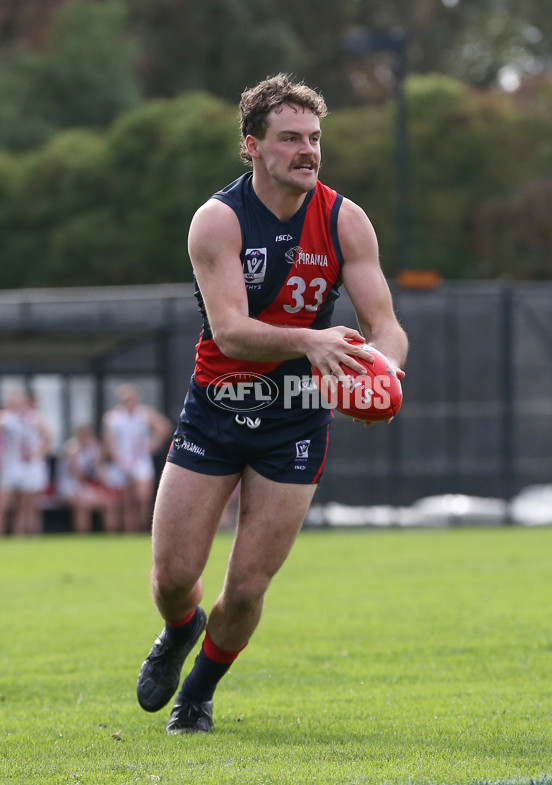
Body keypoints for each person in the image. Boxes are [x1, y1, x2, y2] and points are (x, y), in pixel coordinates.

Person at [136, 73, 409, 734]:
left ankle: (198, 692)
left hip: (295, 417)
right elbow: (230, 329)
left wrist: (382, 374)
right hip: (218, 407)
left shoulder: (345, 220)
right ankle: (180, 627)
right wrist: (311, 340)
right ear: (251, 147)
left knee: (249, 584)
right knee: (174, 575)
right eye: (290, 139)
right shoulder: (219, 220)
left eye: (314, 138)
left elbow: (387, 325)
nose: (307, 151)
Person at [102, 384, 172, 533]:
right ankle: (130, 530)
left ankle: (143, 527)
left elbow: (163, 426)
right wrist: (119, 460)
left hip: (140, 461)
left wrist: (152, 445)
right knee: (128, 500)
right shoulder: (114, 417)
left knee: (143, 497)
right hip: (123, 461)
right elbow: (109, 441)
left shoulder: (144, 413)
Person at [0, 388, 52, 536]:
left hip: (29, 466)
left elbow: (48, 438)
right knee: (3, 504)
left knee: (26, 505)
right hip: (10, 465)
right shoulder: (5, 417)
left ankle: (19, 536)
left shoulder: (34, 417)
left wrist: (37, 453)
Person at [55, 425, 119, 534]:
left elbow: (99, 475)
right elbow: (78, 476)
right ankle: (83, 536)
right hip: (69, 487)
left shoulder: (93, 449)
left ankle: (111, 536)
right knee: (83, 504)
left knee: (109, 504)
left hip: (87, 488)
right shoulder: (71, 449)